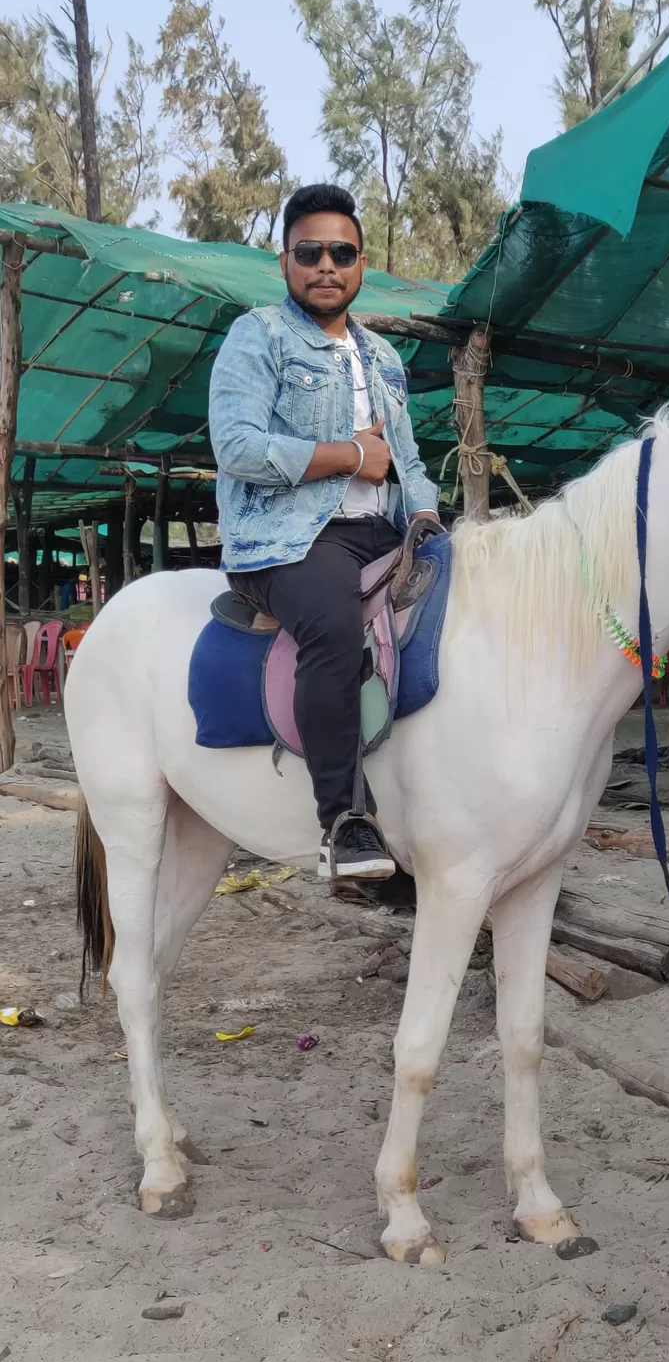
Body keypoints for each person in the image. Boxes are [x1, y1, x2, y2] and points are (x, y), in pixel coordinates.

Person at [209, 182, 440, 878]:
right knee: (334, 628)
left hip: (381, 532)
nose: (326, 266)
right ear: (285, 261)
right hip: (289, 539)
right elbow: (238, 446)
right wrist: (349, 457)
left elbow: (408, 461)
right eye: (309, 253)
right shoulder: (260, 336)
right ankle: (343, 822)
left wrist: (425, 515)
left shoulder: (385, 359)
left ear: (361, 263)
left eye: (341, 253)